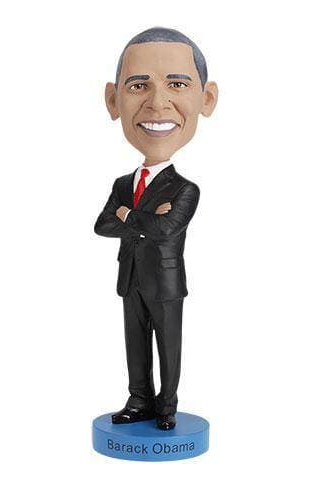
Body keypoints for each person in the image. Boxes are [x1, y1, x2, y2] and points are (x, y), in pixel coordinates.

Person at [94, 27, 218, 430]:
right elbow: (102, 225)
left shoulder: (184, 189)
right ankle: (139, 400)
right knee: (135, 345)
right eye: (138, 85)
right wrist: (139, 219)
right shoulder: (122, 184)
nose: (158, 102)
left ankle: (166, 406)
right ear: (113, 100)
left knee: (168, 346)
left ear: (206, 99)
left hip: (165, 284)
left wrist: (128, 216)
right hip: (130, 279)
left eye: (177, 84)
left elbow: (166, 229)